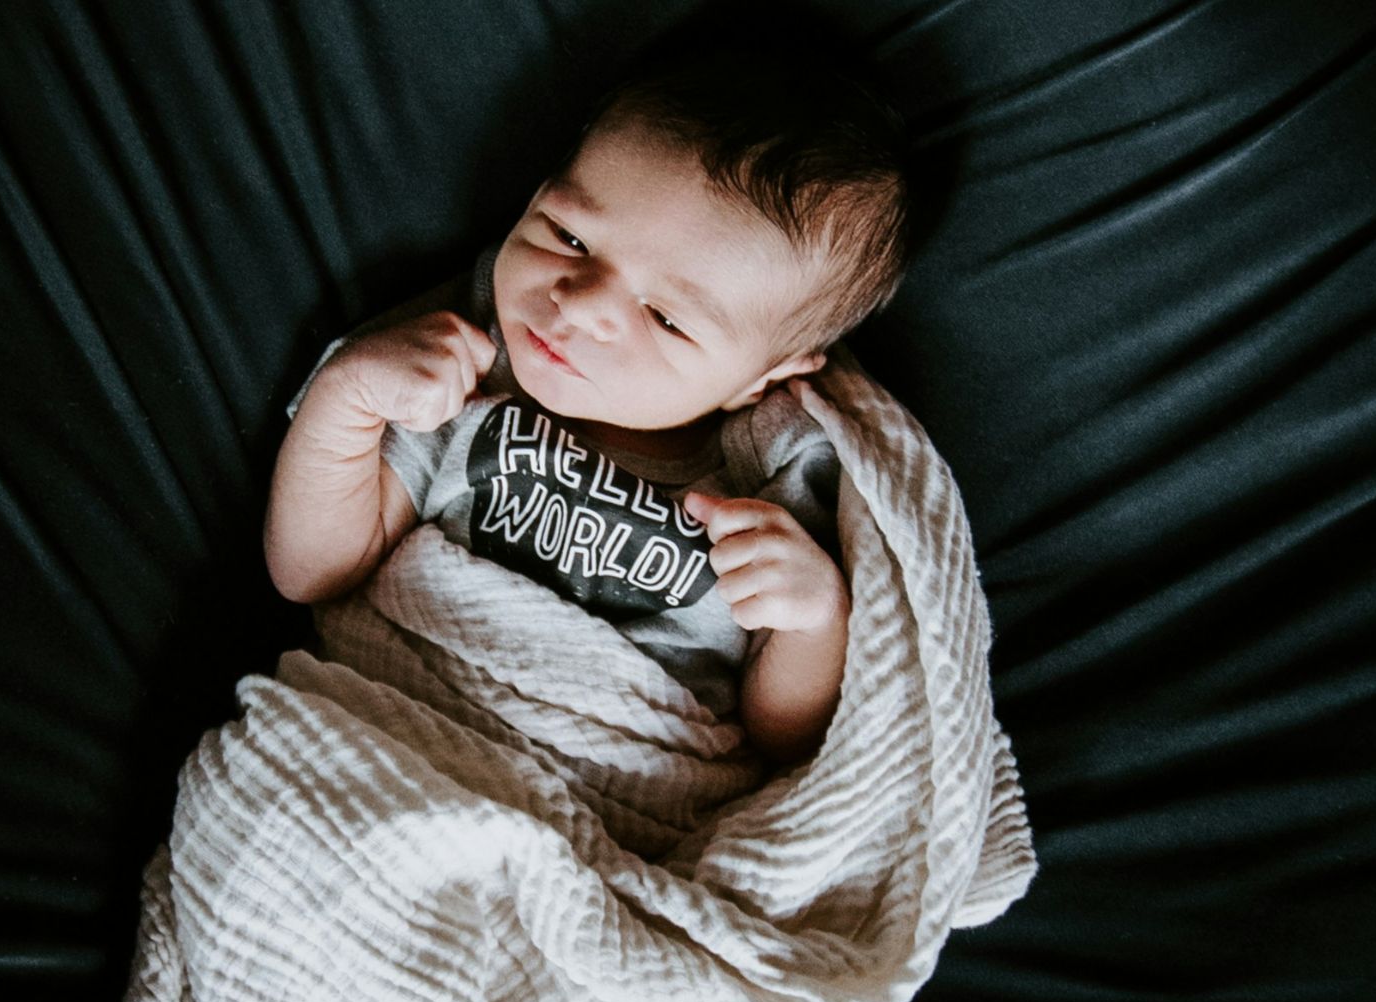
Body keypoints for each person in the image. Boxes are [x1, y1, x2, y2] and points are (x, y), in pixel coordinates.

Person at [263, 30, 911, 764]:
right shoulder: (463, 368)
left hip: (626, 788)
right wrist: (346, 394)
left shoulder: (774, 475)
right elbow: (312, 572)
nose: (578, 304)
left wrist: (816, 622)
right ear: (537, 197)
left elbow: (782, 738)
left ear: (763, 378)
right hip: (400, 733)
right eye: (569, 237)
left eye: (667, 319)